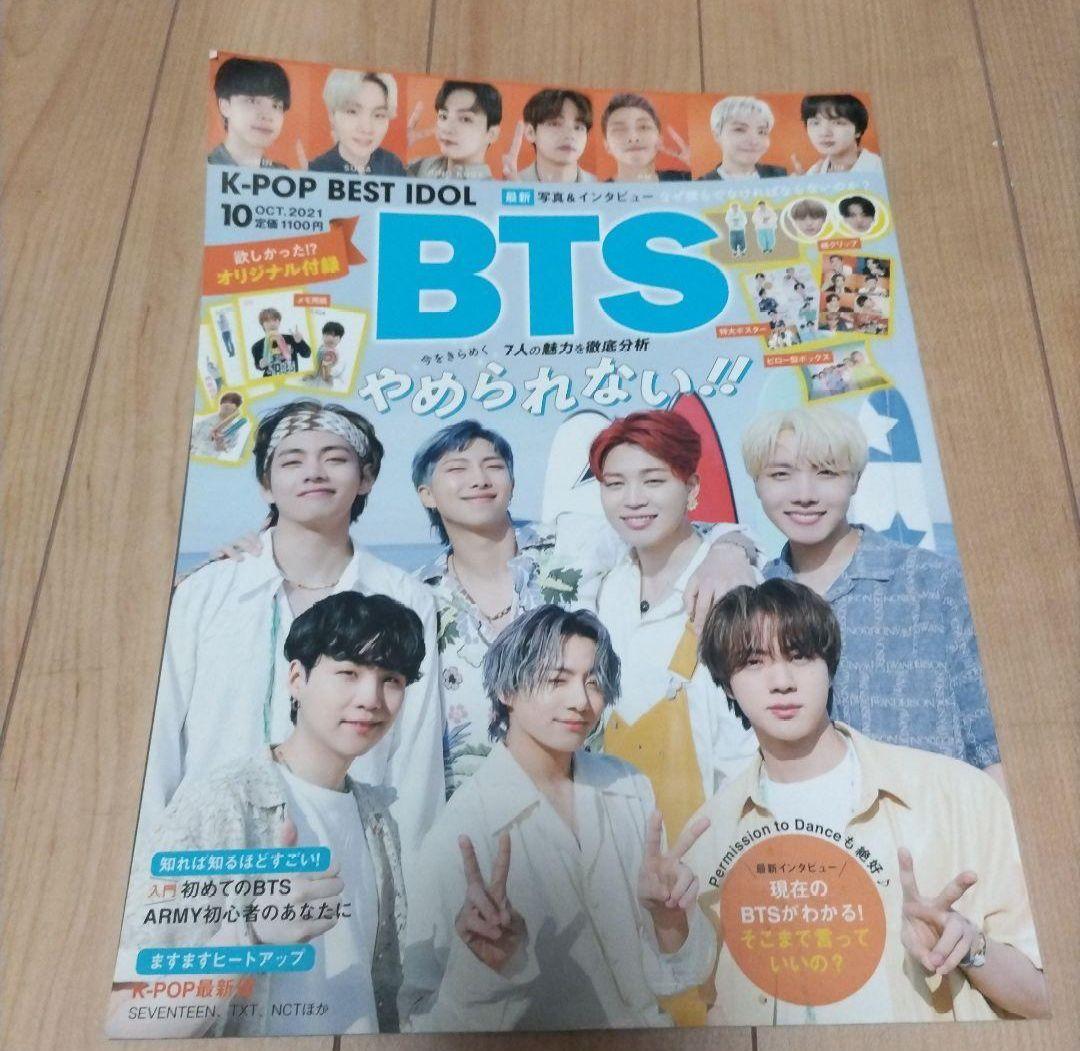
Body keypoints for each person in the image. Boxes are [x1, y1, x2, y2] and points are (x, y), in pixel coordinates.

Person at [683, 579, 1047, 1024]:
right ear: (727, 684)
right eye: (754, 662)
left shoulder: (958, 795)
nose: (781, 682)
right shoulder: (712, 834)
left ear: (829, 665)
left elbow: (1047, 997)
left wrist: (970, 948)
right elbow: (709, 1002)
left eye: (799, 656)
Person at [142, 400, 444, 862]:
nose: (314, 472)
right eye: (292, 460)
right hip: (210, 857)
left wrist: (410, 880)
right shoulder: (206, 592)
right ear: (266, 485)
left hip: (346, 857)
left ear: (366, 477)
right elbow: (158, 740)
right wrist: (152, 865)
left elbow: (416, 760)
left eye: (335, 458)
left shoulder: (406, 598)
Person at [109, 593, 422, 1037]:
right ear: (297, 678)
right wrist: (250, 935)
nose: (370, 698)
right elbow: (124, 1017)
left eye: (391, 679)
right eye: (348, 673)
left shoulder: (378, 820)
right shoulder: (222, 804)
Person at [400, 605, 718, 1031]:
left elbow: (677, 974)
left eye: (594, 682)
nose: (580, 701)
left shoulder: (628, 787)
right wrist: (484, 970)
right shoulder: (462, 832)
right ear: (506, 690)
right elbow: (418, 1017)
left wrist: (669, 919)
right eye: (557, 680)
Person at [410, 419, 757, 797]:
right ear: (426, 494)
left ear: (512, 483)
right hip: (473, 809)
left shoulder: (574, 544)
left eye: (493, 466)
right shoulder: (416, 598)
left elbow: (672, 527)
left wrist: (730, 550)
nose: (479, 479)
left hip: (597, 798)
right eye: (458, 469)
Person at [741, 406, 1004, 784]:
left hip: (935, 812)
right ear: (757, 484)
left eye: (826, 472)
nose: (804, 494)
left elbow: (994, 745)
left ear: (856, 480)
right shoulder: (753, 599)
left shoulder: (933, 583)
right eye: (781, 474)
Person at [591, 412, 759, 840]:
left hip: (716, 840)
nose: (633, 499)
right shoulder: (608, 586)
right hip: (622, 841)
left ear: (692, 488)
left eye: (653, 480)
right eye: (615, 484)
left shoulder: (730, 585)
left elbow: (747, 746)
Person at [308, 69, 406, 175]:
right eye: (352, 112)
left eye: (378, 115)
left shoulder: (393, 166)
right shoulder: (316, 171)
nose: (366, 128)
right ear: (332, 115)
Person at [406, 80, 502, 180]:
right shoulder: (421, 167)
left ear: (491, 134)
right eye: (443, 116)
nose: (447, 128)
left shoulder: (491, 187)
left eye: (465, 119)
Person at [208, 56, 290, 168]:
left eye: (276, 106)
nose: (267, 115)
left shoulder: (283, 173)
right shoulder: (204, 168)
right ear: (225, 106)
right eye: (252, 101)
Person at [505, 87, 596, 183]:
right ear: (530, 132)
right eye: (555, 124)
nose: (570, 135)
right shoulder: (512, 183)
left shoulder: (600, 186)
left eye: (578, 127)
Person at [601, 93, 691, 182]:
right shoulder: (597, 189)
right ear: (607, 146)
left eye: (643, 127)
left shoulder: (688, 180)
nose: (633, 138)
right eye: (619, 129)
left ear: (659, 140)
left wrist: (695, 164)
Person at [698, 96, 787, 181]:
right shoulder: (701, 186)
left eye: (762, 132)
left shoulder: (781, 176)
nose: (754, 141)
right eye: (740, 130)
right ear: (717, 135)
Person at [796, 94, 883, 174]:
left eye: (838, 123)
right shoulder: (814, 173)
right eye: (815, 123)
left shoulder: (880, 168)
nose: (824, 133)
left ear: (858, 130)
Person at [249, 307, 311, 377]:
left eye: (275, 320)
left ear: (279, 322)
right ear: (262, 324)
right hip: (271, 382)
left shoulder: (291, 339)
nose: (272, 324)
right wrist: (261, 364)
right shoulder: (257, 346)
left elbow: (307, 354)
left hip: (291, 381)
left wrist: (300, 342)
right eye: (267, 321)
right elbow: (258, 366)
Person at [191, 391, 246, 457]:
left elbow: (228, 450)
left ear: (236, 408)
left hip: (209, 458)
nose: (227, 404)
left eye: (231, 403)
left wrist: (221, 445)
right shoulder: (206, 419)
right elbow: (192, 436)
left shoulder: (234, 430)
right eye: (224, 402)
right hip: (193, 454)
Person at [304, 320, 347, 387]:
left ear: (339, 339)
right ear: (323, 335)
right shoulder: (326, 350)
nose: (331, 338)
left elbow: (325, 372)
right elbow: (324, 373)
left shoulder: (328, 351)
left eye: (335, 335)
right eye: (329, 334)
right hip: (317, 382)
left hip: (319, 382)